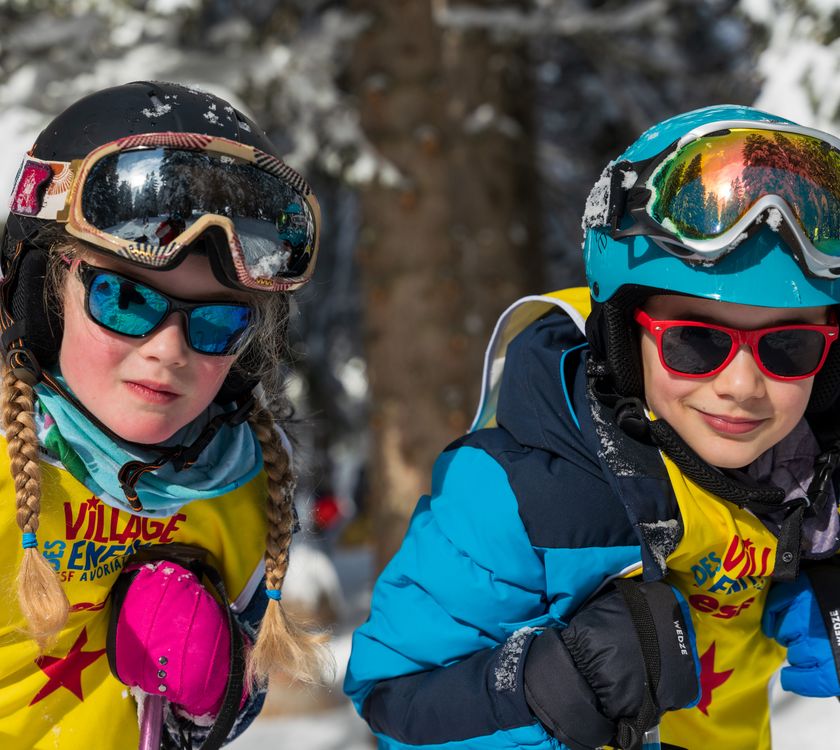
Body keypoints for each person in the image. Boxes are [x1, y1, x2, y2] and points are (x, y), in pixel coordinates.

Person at [344, 104, 840, 750]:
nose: (743, 386)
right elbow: (390, 698)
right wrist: (548, 688)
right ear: (625, 336)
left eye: (789, 349)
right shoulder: (521, 498)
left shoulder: (804, 479)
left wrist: (812, 586)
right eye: (695, 342)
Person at [0, 81, 328, 748]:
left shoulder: (237, 487)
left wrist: (216, 690)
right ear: (46, 290)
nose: (169, 351)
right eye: (124, 300)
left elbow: (238, 700)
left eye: (216, 323)